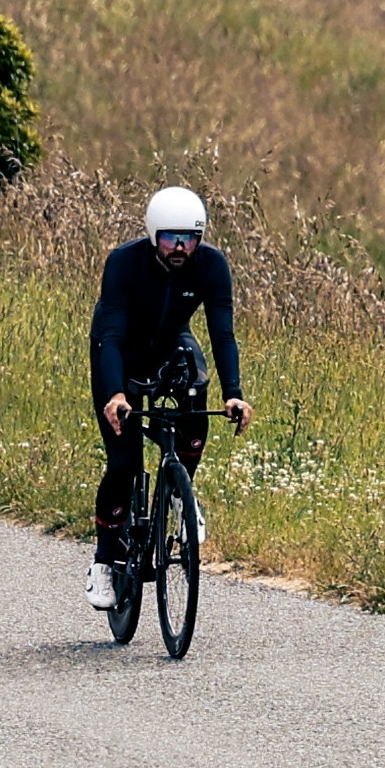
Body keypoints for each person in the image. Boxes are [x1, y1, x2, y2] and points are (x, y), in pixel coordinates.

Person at [90, 185, 244, 609]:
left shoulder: (212, 267)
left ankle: (181, 493)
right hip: (118, 348)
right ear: (152, 233)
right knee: (124, 462)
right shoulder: (123, 263)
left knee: (197, 408)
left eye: (190, 238)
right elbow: (114, 335)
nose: (180, 247)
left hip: (171, 342)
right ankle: (104, 561)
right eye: (170, 238)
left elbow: (223, 335)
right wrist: (117, 393)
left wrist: (235, 395)